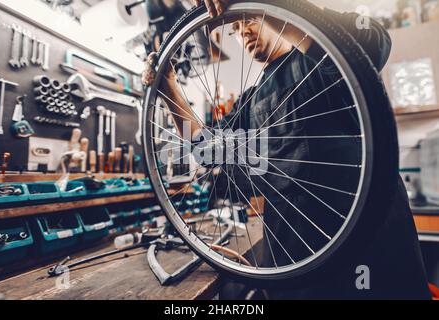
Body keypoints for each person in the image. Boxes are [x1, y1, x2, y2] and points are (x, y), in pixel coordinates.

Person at [143, 0, 432, 299]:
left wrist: (274, 4)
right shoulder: (251, 100)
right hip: (295, 265)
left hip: (370, 254)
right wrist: (168, 89)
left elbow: (373, 40)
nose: (243, 31)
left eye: (250, 19)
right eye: (236, 27)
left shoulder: (321, 59)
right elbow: (206, 149)